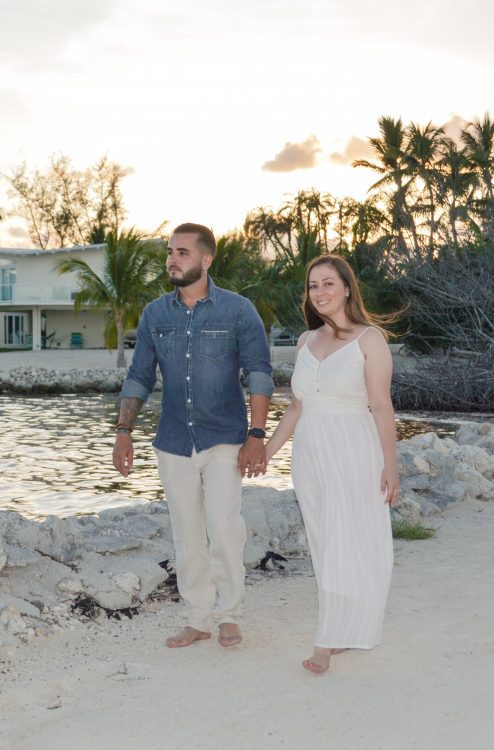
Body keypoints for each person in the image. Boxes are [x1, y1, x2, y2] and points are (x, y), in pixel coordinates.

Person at [113, 222, 273, 649]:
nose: (172, 259)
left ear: (206, 259)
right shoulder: (154, 314)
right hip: (173, 441)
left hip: (225, 438)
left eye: (182, 252)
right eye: (170, 251)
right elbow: (139, 376)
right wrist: (123, 432)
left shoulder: (239, 311)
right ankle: (198, 618)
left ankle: (229, 614)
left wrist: (257, 435)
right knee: (186, 532)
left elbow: (259, 373)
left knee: (223, 528)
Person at [264, 254, 399, 674]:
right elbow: (296, 407)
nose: (319, 292)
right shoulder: (305, 342)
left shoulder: (369, 339)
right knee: (324, 540)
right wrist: (265, 453)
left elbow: (381, 406)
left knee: (350, 539)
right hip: (311, 453)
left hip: (354, 448)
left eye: (327, 284)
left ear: (346, 288)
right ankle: (344, 627)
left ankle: (327, 639)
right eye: (312, 286)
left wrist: (391, 467)